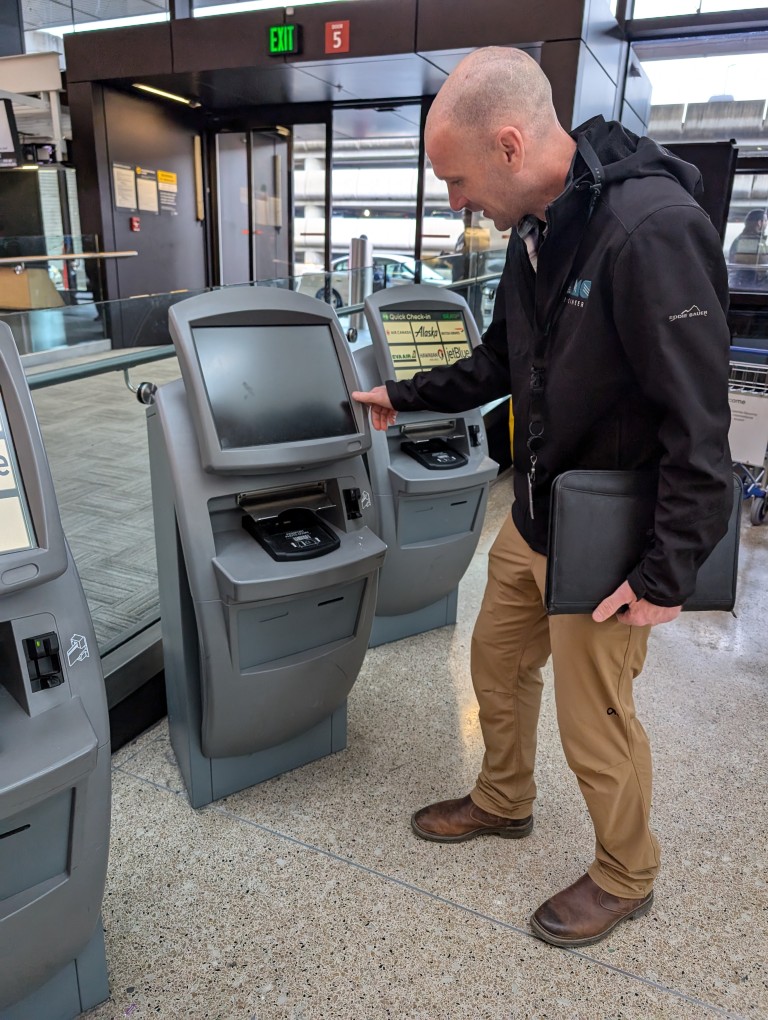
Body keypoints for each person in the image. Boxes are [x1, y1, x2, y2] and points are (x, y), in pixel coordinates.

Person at [352, 47, 733, 949]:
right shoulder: (539, 229)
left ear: (512, 145)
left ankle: (626, 873)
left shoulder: (650, 229)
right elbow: (501, 361)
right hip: (535, 517)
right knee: (495, 666)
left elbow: (698, 426)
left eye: (456, 178)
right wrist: (402, 395)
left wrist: (667, 573)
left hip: (608, 544)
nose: (453, 201)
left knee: (594, 721)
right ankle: (503, 799)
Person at [728, 208, 768, 290]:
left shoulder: (746, 238)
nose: (766, 223)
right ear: (759, 223)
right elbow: (757, 262)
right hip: (749, 284)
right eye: (765, 221)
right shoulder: (749, 240)